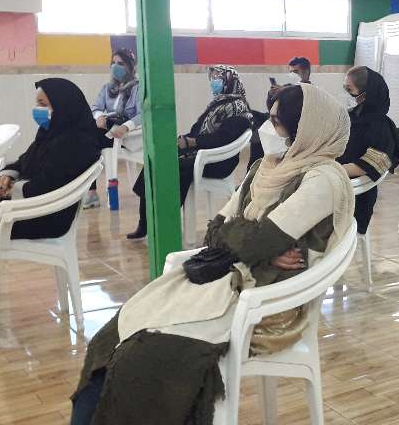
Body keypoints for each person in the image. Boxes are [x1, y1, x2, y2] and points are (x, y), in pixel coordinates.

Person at [70, 83, 354, 424]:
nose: (267, 128)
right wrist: (259, 249)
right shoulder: (265, 167)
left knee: (143, 355)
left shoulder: (323, 180)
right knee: (112, 336)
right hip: (233, 276)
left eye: (276, 122)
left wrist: (253, 246)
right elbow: (217, 230)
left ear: (304, 129)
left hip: (266, 300)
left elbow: (255, 241)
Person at [0, 78, 100, 340]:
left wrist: (7, 191)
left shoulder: (78, 143)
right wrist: (7, 175)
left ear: (62, 106)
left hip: (45, 216)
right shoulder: (51, 133)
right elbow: (23, 162)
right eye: (37, 103)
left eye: (43, 104)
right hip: (28, 205)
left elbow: (47, 186)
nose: (38, 110)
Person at [126, 65, 252, 240]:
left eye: (218, 78)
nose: (214, 81)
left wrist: (192, 142)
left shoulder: (238, 107)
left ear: (229, 81)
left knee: (174, 166)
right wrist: (183, 140)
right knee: (157, 160)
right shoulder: (218, 104)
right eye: (213, 77)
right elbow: (197, 131)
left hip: (218, 161)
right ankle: (145, 221)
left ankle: (167, 223)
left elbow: (223, 139)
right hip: (202, 154)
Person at [338, 66, 399, 235]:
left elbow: (370, 165)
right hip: (334, 184)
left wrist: (331, 170)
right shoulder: (350, 117)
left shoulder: (382, 128)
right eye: (344, 88)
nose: (346, 94)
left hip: (355, 196)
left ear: (366, 94)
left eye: (349, 90)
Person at [83, 48, 142, 208]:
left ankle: (91, 192)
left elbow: (142, 115)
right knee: (86, 136)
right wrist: (99, 117)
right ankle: (92, 192)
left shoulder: (138, 88)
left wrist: (126, 127)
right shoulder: (107, 88)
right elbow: (96, 108)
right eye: (113, 63)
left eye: (120, 63)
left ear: (131, 66)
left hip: (126, 135)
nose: (115, 67)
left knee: (86, 139)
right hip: (105, 131)